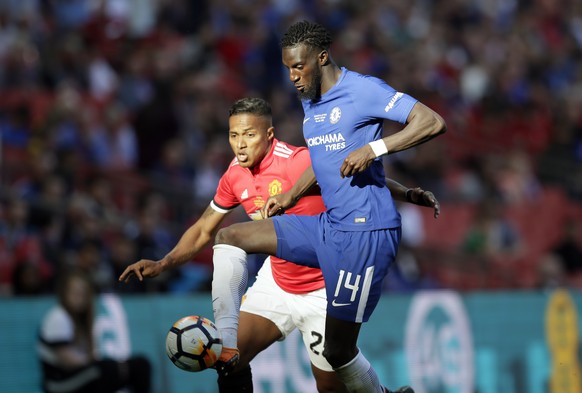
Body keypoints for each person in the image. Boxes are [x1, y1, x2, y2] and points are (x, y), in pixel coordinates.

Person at [119, 97, 440, 392]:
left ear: (269, 134)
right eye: (233, 136)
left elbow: (364, 175)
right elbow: (204, 228)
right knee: (229, 360)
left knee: (331, 387)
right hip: (277, 284)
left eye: (248, 135)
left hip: (323, 290)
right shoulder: (234, 175)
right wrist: (163, 262)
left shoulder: (297, 163)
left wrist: (409, 193)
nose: (240, 145)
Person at [210, 21, 446, 393]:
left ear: (322, 57)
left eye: (299, 66)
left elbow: (431, 121)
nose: (293, 77)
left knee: (338, 351)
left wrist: (375, 149)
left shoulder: (363, 90)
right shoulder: (310, 100)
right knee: (231, 237)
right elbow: (325, 161)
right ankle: (226, 346)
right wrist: (291, 194)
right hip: (328, 227)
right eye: (288, 68)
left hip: (366, 235)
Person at [37, 269, 151, 393]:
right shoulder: (58, 316)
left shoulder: (82, 319)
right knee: (104, 370)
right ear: (65, 293)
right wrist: (113, 367)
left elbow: (89, 355)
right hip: (59, 382)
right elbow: (67, 361)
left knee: (140, 365)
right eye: (75, 292)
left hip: (79, 375)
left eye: (83, 293)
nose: (79, 297)